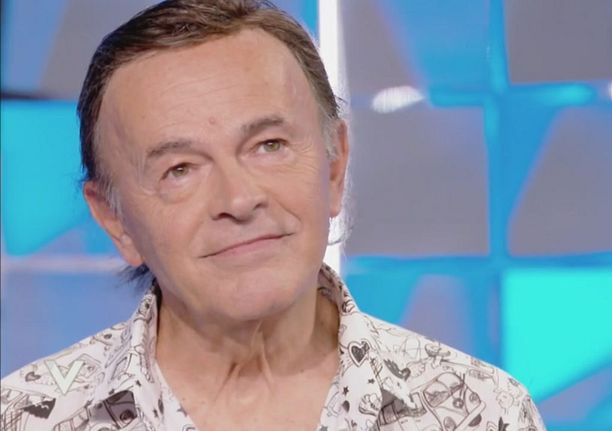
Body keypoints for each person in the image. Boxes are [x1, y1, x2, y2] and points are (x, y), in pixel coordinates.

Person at [0, 1, 546, 430]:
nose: (239, 200)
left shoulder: (481, 412)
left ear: (335, 167)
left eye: (269, 145)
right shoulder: (26, 418)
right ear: (115, 220)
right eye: (180, 169)